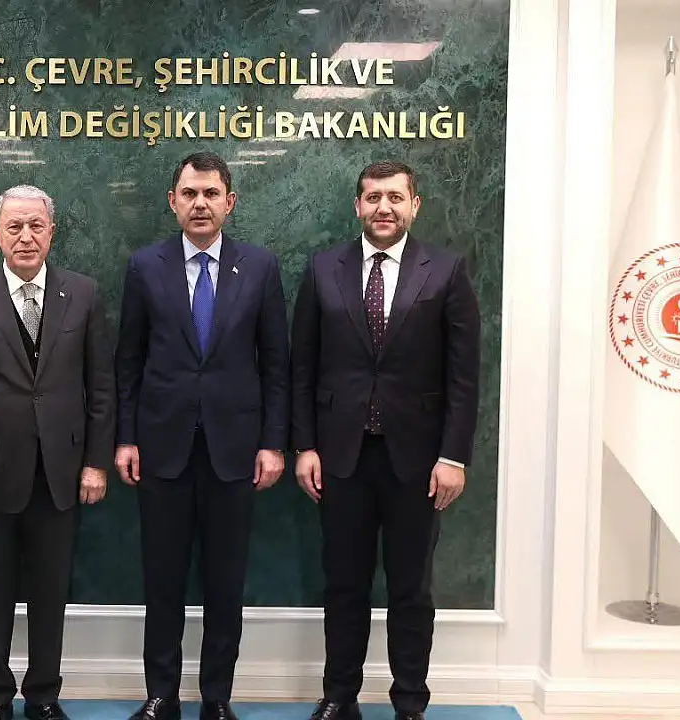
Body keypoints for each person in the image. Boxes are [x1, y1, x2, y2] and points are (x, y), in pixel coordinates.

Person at [290, 160, 482, 720]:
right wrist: (305, 446)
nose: (383, 207)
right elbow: (303, 367)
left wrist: (453, 456)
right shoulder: (323, 269)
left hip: (418, 462)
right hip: (340, 458)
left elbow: (464, 376)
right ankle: (339, 696)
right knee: (343, 585)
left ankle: (409, 702)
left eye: (395, 197)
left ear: (414, 206)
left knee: (411, 589)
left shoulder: (445, 270)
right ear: (358, 205)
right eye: (373, 197)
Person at [115, 151, 290, 720]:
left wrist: (273, 443)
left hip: (235, 451)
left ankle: (216, 698)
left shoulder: (259, 267)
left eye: (211, 193)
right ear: (173, 201)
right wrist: (125, 437)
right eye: (189, 193)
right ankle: (161, 695)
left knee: (225, 582)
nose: (200, 204)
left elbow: (276, 366)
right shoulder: (145, 265)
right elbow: (128, 361)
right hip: (160, 449)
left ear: (229, 202)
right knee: (162, 581)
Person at [0, 185, 115, 720]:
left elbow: (100, 387)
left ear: (51, 232)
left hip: (61, 471)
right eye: (14, 226)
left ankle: (43, 695)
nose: (25, 236)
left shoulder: (83, 293)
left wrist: (96, 462)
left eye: (35, 225)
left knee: (50, 591)